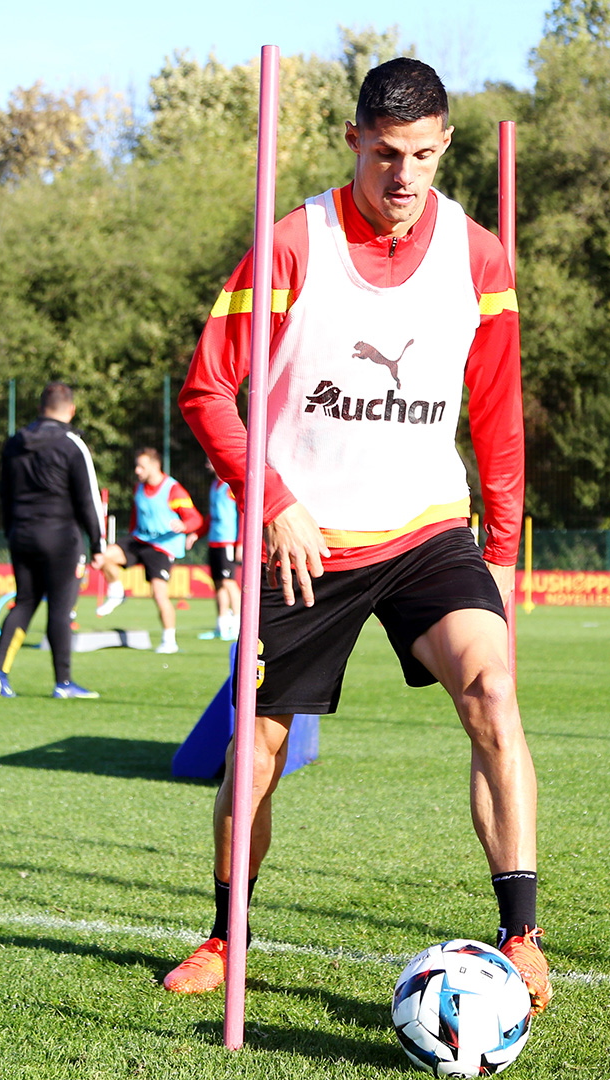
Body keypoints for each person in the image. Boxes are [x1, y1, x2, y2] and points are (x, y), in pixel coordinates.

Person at [165, 58, 546, 1014]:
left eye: (422, 155)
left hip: (427, 529)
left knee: (493, 692)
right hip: (307, 540)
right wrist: (274, 496)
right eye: (386, 155)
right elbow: (208, 391)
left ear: (445, 145)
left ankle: (522, 933)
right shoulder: (293, 242)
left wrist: (500, 548)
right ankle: (225, 932)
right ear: (354, 143)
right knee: (254, 745)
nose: (405, 177)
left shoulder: (481, 256)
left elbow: (498, 412)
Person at [0, 382, 106, 699]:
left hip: (21, 534)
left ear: (40, 408)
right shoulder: (71, 444)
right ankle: (63, 683)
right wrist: (98, 544)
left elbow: (4, 494)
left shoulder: (14, 443)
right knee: (61, 608)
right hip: (60, 537)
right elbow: (88, 500)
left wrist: (12, 531)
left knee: (25, 601)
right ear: (71, 410)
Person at [95, 447, 202, 654]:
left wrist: (185, 527)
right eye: (136, 466)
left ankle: (169, 640)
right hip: (140, 540)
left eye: (141, 466)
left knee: (159, 594)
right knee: (103, 555)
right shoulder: (139, 488)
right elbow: (137, 513)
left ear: (155, 465)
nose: (137, 470)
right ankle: (117, 591)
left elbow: (195, 519)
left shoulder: (174, 490)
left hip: (162, 547)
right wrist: (133, 533)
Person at [198, 458, 241, 642]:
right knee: (218, 583)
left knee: (229, 582)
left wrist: (240, 543)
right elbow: (211, 516)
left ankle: (239, 625)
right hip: (214, 541)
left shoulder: (230, 486)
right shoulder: (214, 485)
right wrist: (197, 534)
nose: (207, 464)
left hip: (228, 542)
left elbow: (243, 513)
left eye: (210, 461)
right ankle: (222, 626)